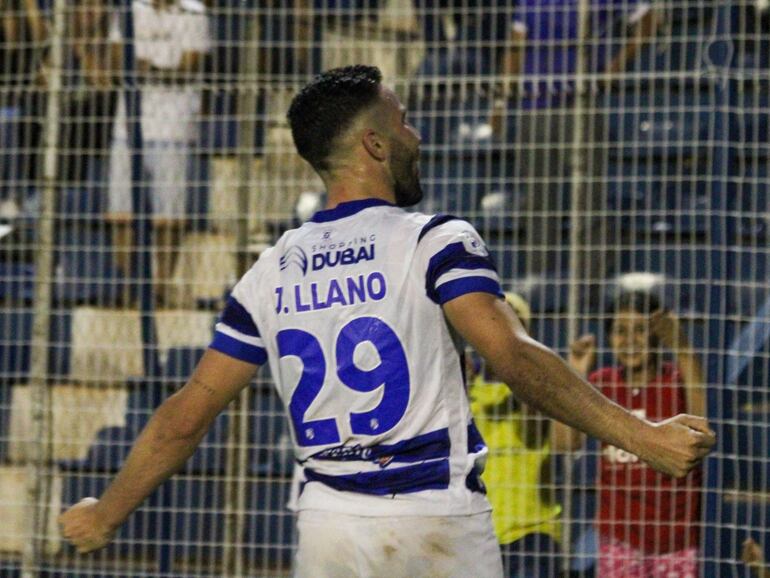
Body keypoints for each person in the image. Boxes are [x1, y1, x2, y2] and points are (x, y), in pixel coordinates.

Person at [59, 65, 715, 577]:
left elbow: (187, 413)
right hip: (437, 523)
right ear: (374, 142)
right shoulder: (434, 240)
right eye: (404, 123)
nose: (416, 135)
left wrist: (106, 513)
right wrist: (642, 434)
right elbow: (511, 358)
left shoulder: (269, 272)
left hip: (330, 529)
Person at [492, 0, 660, 278]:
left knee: (589, 200)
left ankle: (587, 285)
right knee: (538, 201)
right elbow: (516, 44)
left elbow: (649, 20)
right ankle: (541, 282)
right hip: (533, 107)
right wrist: (501, 101)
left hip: (580, 104)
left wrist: (612, 69)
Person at [554, 289, 707, 578]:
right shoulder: (602, 384)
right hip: (619, 538)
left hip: (677, 539)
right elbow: (564, 442)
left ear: (657, 335)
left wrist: (682, 348)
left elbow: (702, 426)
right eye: (620, 331)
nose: (630, 341)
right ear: (609, 338)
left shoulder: (675, 381)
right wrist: (575, 370)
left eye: (641, 330)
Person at [106, 0, 210, 304]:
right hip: (127, 126)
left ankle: (162, 284)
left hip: (174, 127)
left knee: (169, 216)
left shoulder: (194, 12)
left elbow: (189, 68)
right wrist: (160, 67)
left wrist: (144, 66)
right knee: (121, 214)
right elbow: (116, 62)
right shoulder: (129, 9)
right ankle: (130, 286)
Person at [468, 292, 563, 577]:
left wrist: (520, 364)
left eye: (512, 326)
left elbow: (531, 433)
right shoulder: (467, 392)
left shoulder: (537, 390)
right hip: (479, 534)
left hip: (531, 534)